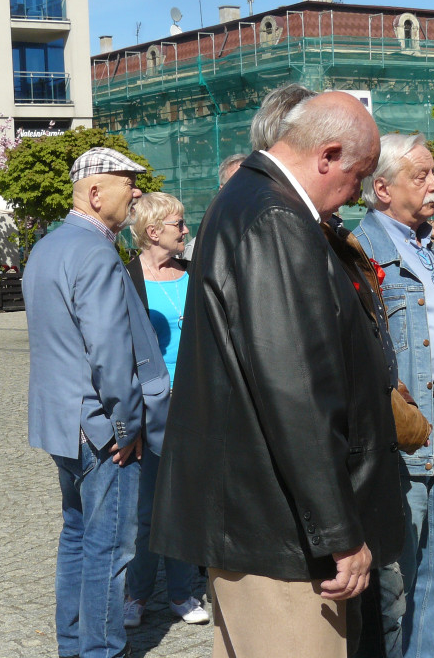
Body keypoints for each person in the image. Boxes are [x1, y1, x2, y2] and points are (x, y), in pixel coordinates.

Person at [151, 91, 404, 658]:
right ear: (328, 155)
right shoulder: (274, 217)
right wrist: (340, 533)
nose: (359, 191)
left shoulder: (252, 201)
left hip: (264, 520)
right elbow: (296, 392)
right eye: (359, 174)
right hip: (280, 536)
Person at [22, 146, 170, 658]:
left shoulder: (47, 246)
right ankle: (100, 651)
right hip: (101, 425)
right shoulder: (96, 251)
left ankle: (73, 645)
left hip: (60, 419)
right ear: (94, 192)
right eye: (126, 183)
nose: (135, 192)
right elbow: (110, 353)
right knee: (109, 550)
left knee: (78, 539)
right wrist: (127, 428)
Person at [354, 133, 434, 658]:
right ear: (382, 189)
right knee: (397, 569)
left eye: (432, 174)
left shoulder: (430, 244)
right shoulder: (364, 251)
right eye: (422, 176)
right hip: (409, 425)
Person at [123, 192, 207, 629]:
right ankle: (136, 593)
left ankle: (182, 592)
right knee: (147, 507)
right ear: (154, 232)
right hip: (148, 408)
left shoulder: (196, 275)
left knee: (186, 503)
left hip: (194, 406)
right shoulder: (126, 279)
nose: (186, 229)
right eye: (179, 223)